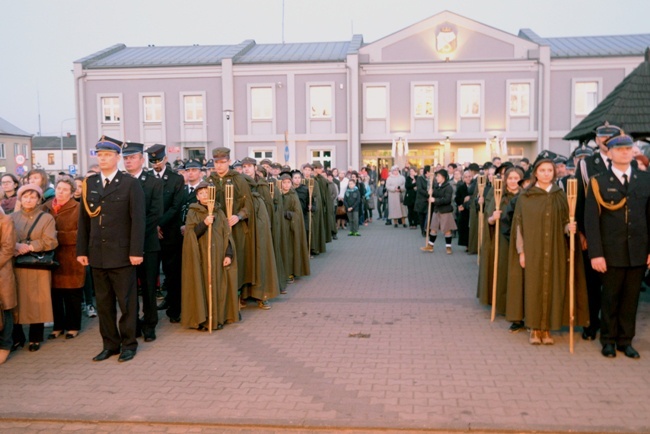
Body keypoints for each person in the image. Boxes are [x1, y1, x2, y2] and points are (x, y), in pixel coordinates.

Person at [506, 151, 588, 345]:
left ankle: (547, 328)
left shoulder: (561, 196)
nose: (546, 174)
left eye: (549, 170)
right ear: (535, 173)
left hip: (555, 250)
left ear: (554, 173)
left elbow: (564, 223)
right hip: (533, 250)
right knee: (534, 287)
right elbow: (519, 226)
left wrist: (570, 227)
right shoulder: (526, 196)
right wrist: (522, 252)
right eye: (542, 170)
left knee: (553, 286)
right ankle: (535, 327)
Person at [77, 136, 145, 363]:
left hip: (123, 254)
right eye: (100, 155)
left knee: (127, 304)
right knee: (104, 304)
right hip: (97, 254)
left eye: (108, 155)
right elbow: (84, 221)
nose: (103, 159)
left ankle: (129, 344)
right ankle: (110, 344)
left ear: (117, 158)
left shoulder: (129, 183)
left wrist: (136, 251)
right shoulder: (90, 184)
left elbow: (138, 220)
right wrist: (82, 250)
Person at [584, 135, 650, 359]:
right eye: (619, 149)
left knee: (631, 300)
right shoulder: (598, 181)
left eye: (628, 149)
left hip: (638, 250)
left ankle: (625, 340)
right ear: (609, 153)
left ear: (633, 152)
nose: (624, 152)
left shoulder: (645, 179)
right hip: (610, 252)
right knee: (610, 298)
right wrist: (596, 254)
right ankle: (608, 340)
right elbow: (591, 221)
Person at [575, 123, 621, 341]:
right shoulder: (586, 164)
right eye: (602, 136)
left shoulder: (624, 163)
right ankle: (591, 324)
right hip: (592, 231)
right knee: (592, 284)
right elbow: (580, 202)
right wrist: (581, 233)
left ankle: (611, 328)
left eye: (610, 136)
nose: (605, 139)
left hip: (618, 233)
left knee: (615, 285)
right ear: (597, 139)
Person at [181, 181, 238, 330]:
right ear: (197, 197)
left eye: (207, 192)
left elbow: (227, 235)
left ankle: (218, 318)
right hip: (201, 258)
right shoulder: (193, 212)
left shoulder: (219, 211)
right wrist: (204, 223)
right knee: (203, 287)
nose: (205, 196)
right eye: (201, 193)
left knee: (218, 286)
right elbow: (191, 235)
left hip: (218, 256)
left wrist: (228, 254)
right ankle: (203, 320)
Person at [123, 142, 163, 342]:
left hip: (147, 243)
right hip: (124, 245)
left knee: (148, 287)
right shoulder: (120, 181)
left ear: (141, 159)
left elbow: (156, 213)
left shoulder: (152, 182)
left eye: (132, 157)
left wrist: (135, 235)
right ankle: (133, 324)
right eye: (126, 158)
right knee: (129, 289)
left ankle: (150, 324)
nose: (128, 161)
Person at [11, 184, 58, 352]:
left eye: (32, 197)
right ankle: (18, 337)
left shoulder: (46, 218)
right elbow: (4, 239)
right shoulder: (11, 217)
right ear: (20, 199)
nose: (28, 200)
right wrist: (15, 245)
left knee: (37, 301)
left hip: (37, 265)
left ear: (39, 199)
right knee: (16, 302)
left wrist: (29, 247)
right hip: (16, 265)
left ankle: (35, 338)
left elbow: (51, 241)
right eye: (25, 196)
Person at [207, 147, 256, 302]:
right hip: (216, 229)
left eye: (223, 162)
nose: (219, 166)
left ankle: (238, 292)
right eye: (216, 162)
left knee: (237, 258)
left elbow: (248, 204)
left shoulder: (238, 179)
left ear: (228, 161)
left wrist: (239, 216)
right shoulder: (210, 180)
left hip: (236, 227)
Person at [146, 144, 186, 325]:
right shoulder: (145, 179)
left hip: (170, 234)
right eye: (152, 161)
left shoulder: (176, 179)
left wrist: (159, 224)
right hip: (150, 234)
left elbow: (176, 206)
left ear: (165, 159)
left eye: (158, 161)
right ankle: (149, 314)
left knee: (173, 274)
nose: (156, 164)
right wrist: (153, 226)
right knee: (150, 275)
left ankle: (174, 310)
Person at [43, 177, 85, 340]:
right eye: (59, 188)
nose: (60, 192)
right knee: (55, 294)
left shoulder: (78, 208)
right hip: (51, 258)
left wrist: (55, 237)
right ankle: (58, 326)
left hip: (71, 258)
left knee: (72, 294)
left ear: (72, 192)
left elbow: (81, 234)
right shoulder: (45, 207)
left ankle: (73, 326)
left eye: (65, 189)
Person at [476, 167, 523, 314]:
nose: (513, 181)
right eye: (510, 178)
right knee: (503, 271)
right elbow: (488, 219)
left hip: (521, 240)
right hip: (502, 239)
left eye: (516, 178)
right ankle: (502, 304)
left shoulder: (526, 196)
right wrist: (492, 218)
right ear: (505, 180)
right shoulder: (499, 196)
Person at [278, 172, 310, 282]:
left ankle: (290, 272)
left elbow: (298, 213)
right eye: (284, 183)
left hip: (289, 227)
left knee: (289, 250)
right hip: (279, 227)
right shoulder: (277, 195)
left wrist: (287, 214)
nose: (286, 185)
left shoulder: (293, 196)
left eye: (288, 183)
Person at [0, 206, 17, 364]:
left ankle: (5, 346)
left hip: (2, 272)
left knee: (5, 309)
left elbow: (8, 248)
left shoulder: (5, 220)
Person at [426, 169, 457, 254]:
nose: (436, 178)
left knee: (447, 230)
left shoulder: (448, 187)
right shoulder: (436, 186)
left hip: (445, 211)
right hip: (437, 210)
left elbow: (447, 200)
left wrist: (434, 200)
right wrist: (430, 193)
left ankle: (448, 247)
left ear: (443, 177)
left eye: (438, 176)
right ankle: (430, 246)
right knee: (433, 228)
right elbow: (434, 196)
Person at [455, 170, 472, 249]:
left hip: (472, 209)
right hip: (464, 209)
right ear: (463, 178)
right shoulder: (461, 187)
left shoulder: (474, 186)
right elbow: (457, 198)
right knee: (464, 227)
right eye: (466, 177)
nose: (468, 178)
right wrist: (463, 201)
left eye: (469, 176)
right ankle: (466, 244)